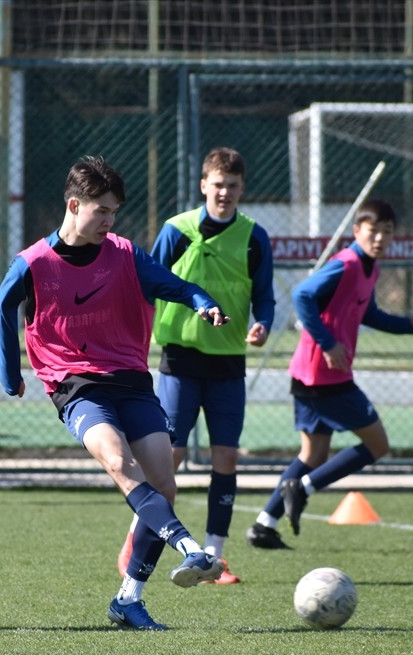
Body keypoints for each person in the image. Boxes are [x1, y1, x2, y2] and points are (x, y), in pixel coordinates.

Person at [0, 155, 229, 630]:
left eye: (114, 212)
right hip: (76, 384)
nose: (109, 221)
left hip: (130, 380)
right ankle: (190, 548)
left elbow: (174, 285)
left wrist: (202, 301)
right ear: (73, 205)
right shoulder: (34, 263)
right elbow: (4, 305)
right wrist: (9, 372)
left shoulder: (124, 254)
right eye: (101, 210)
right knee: (120, 462)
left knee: (164, 483)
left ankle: (128, 600)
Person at [117, 146, 275, 585]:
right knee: (170, 456)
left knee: (226, 456)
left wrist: (262, 323)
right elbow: (147, 282)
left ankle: (215, 558)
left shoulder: (254, 237)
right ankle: (135, 538)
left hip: (229, 362)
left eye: (233, 185)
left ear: (242, 189)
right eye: (218, 184)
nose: (225, 192)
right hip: (180, 359)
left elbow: (264, 294)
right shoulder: (177, 230)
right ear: (204, 185)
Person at [247, 199, 413, 548]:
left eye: (387, 232)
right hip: (324, 377)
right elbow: (302, 295)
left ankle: (263, 525)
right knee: (378, 444)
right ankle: (303, 488)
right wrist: (329, 344)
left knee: (313, 454)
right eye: (373, 231)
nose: (380, 238)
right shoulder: (347, 263)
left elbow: (368, 313)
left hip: (310, 376)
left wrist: (408, 325)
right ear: (357, 231)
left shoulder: (370, 268)